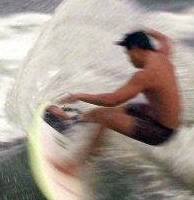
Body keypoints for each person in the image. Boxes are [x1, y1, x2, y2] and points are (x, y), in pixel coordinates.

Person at [52, 29, 182, 176]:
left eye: (128, 54)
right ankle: (72, 120)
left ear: (136, 49)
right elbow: (165, 39)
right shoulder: (162, 55)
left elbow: (111, 100)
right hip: (154, 113)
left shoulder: (146, 75)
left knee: (107, 118)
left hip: (160, 132)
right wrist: (144, 30)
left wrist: (79, 96)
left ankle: (75, 166)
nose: (129, 59)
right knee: (99, 113)